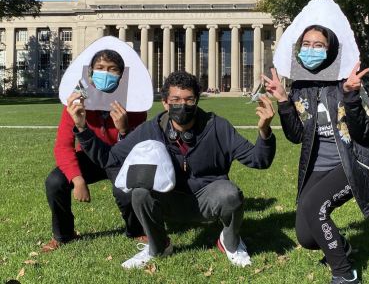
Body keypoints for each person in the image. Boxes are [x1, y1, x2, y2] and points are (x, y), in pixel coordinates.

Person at [69, 71, 276, 269]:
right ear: (166, 103)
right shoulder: (152, 129)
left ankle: (230, 243)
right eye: (176, 100)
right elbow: (110, 158)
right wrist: (81, 128)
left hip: (209, 198)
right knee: (140, 192)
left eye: (189, 100)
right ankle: (158, 247)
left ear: (197, 102)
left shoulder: (218, 127)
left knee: (230, 193)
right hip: (168, 199)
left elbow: (258, 160)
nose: (182, 105)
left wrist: (264, 130)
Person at [262, 25, 369, 284]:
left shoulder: (348, 80)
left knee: (314, 207)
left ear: (330, 50)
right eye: (306, 44)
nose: (311, 50)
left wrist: (352, 95)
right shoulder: (301, 86)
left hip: (351, 162)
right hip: (317, 165)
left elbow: (363, 131)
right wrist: (284, 101)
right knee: (306, 237)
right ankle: (340, 245)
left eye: (318, 45)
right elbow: (297, 136)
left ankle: (345, 275)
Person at [41, 49, 147, 253]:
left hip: (119, 157)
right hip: (90, 156)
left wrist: (124, 129)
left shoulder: (134, 102)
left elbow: (137, 148)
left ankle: (136, 230)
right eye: (100, 68)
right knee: (55, 182)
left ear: (121, 75)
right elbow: (63, 145)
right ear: (91, 73)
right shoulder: (76, 99)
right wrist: (76, 178)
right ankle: (63, 234)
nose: (105, 73)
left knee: (125, 190)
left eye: (112, 69)